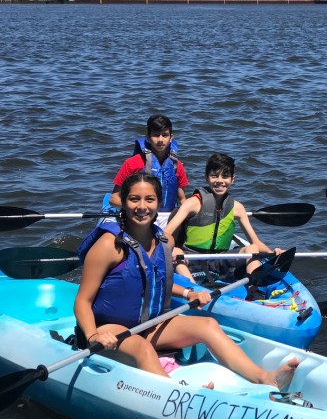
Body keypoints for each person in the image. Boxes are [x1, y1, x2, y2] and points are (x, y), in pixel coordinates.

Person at [74, 172, 299, 388]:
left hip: (148, 324)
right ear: (123, 202)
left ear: (159, 203)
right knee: (142, 349)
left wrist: (188, 293)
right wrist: (94, 334)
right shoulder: (109, 245)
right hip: (109, 330)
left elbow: (156, 282)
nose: (142, 206)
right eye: (134, 199)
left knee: (208, 325)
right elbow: (83, 301)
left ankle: (264, 378)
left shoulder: (165, 242)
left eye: (149, 199)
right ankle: (178, 395)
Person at [164, 153, 282, 284]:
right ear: (206, 177)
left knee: (252, 248)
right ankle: (193, 289)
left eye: (225, 176)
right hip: (192, 258)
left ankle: (254, 289)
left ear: (232, 179)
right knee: (177, 251)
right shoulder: (193, 203)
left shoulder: (237, 208)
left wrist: (272, 252)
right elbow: (166, 233)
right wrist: (171, 250)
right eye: (214, 176)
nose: (219, 180)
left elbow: (256, 242)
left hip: (221, 259)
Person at [108, 115, 189, 225]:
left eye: (165, 135)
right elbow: (113, 199)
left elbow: (182, 199)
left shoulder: (177, 166)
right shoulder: (132, 163)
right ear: (148, 137)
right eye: (156, 135)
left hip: (167, 218)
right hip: (139, 217)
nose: (160, 140)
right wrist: (137, 209)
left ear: (171, 137)